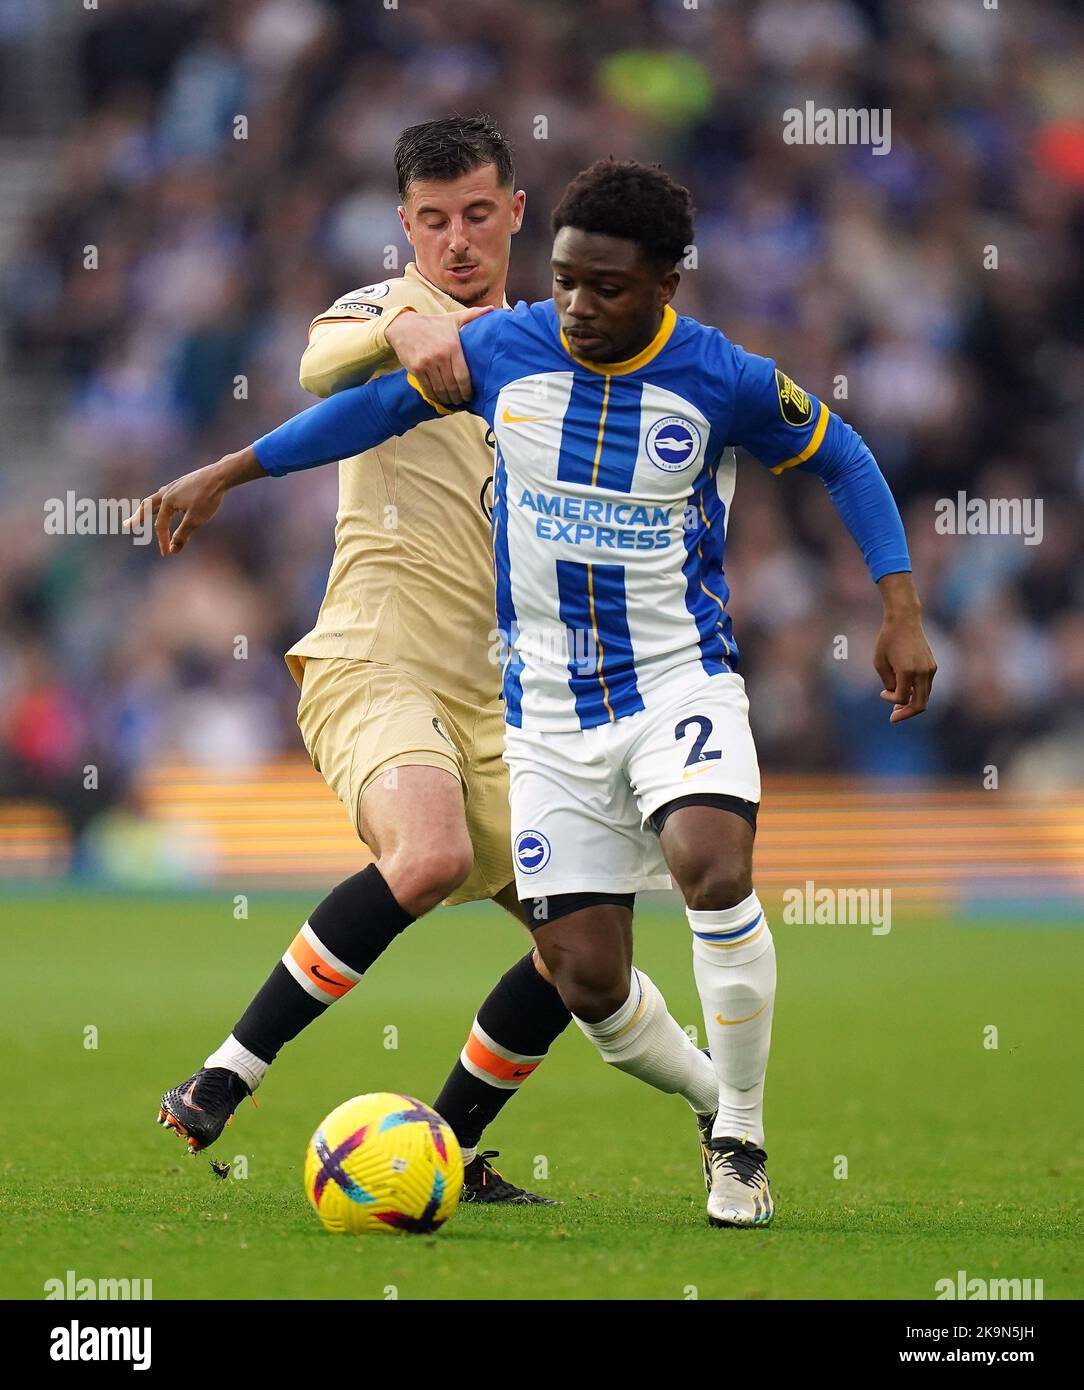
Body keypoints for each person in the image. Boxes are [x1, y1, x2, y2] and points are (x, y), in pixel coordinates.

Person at [138, 158, 936, 1228]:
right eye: (564, 282)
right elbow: (358, 404)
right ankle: (692, 1098)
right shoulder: (500, 344)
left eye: (603, 286)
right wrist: (226, 471)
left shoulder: (726, 377)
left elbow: (843, 456)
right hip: (544, 712)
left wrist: (898, 605)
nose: (577, 306)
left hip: (676, 680)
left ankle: (736, 1134)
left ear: (664, 283)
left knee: (709, 862)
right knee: (585, 976)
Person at [149, 119, 719, 1206]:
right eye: (429, 220)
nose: (454, 239)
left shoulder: (561, 350)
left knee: (581, 950)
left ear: (515, 211)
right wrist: (411, 320)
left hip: (508, 701)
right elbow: (327, 360)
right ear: (403, 226)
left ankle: (449, 1145)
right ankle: (227, 1072)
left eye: (474, 215)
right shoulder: (377, 309)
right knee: (426, 854)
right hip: (376, 660)